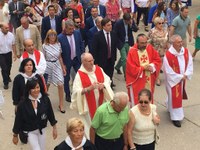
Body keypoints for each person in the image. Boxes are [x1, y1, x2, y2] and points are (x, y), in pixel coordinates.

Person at [70, 52, 114, 138]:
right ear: (83, 62)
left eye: (92, 60)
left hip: (101, 102)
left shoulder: (98, 69)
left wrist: (103, 85)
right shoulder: (80, 74)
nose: (92, 62)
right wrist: (88, 89)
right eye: (89, 61)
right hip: (88, 105)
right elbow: (75, 91)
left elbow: (107, 79)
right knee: (91, 125)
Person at [12, 78, 57, 150]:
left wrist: (54, 128)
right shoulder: (22, 104)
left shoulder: (45, 99)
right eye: (33, 88)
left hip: (42, 130)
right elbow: (18, 120)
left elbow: (50, 113)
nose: (36, 90)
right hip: (30, 131)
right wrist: (15, 135)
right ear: (28, 89)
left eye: (37, 87)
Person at [163, 35, 193, 127]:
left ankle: (169, 106)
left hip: (182, 78)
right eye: (178, 42)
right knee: (175, 96)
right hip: (173, 80)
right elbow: (167, 70)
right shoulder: (168, 55)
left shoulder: (186, 52)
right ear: (173, 44)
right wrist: (179, 77)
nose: (181, 44)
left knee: (176, 96)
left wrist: (186, 74)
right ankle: (176, 117)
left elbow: (190, 63)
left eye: (181, 41)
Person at [126, 34, 161, 106]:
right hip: (137, 81)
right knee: (138, 99)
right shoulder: (132, 51)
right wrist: (143, 68)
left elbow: (157, 60)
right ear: (137, 42)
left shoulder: (149, 48)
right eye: (142, 43)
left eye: (146, 42)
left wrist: (152, 66)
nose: (144, 45)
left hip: (149, 79)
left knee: (148, 96)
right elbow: (130, 68)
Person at [58, 19, 84, 102]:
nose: (72, 30)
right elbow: (59, 52)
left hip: (77, 59)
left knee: (81, 75)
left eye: (73, 29)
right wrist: (62, 64)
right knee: (66, 78)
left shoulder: (77, 33)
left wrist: (82, 54)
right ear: (65, 28)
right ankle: (68, 94)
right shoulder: (60, 37)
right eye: (70, 29)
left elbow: (81, 43)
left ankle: (80, 92)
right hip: (67, 60)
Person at [92, 18, 120, 88]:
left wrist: (115, 58)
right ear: (103, 26)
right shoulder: (97, 36)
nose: (110, 26)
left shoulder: (113, 34)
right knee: (102, 76)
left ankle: (109, 87)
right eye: (108, 25)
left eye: (111, 25)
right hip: (101, 60)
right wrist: (95, 62)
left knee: (110, 74)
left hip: (111, 59)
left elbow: (114, 47)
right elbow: (94, 49)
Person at [42, 29, 66, 113]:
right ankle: (43, 103)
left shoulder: (58, 44)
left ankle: (61, 104)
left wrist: (63, 67)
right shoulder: (44, 46)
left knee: (60, 84)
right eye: (51, 35)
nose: (52, 37)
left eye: (54, 35)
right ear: (48, 37)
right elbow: (43, 59)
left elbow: (59, 57)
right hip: (48, 65)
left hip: (57, 65)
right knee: (46, 85)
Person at [148, 17, 168, 86]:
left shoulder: (165, 31)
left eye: (162, 23)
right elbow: (152, 40)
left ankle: (157, 76)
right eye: (159, 23)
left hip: (163, 50)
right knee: (156, 65)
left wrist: (167, 47)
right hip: (155, 50)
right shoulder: (152, 31)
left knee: (161, 64)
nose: (161, 24)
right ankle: (157, 78)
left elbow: (167, 40)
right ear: (156, 24)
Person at [114, 13, 134, 78]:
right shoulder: (118, 24)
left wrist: (131, 25)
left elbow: (136, 29)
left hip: (127, 42)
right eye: (127, 21)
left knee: (125, 57)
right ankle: (126, 75)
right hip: (121, 42)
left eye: (129, 20)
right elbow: (115, 34)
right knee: (125, 59)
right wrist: (118, 44)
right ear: (124, 20)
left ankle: (117, 67)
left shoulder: (130, 22)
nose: (128, 22)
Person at [0, 23, 16, 89]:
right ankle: (5, 83)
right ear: (1, 29)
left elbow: (13, 45)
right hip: (1, 54)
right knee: (4, 68)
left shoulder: (11, 35)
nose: (8, 29)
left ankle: (7, 76)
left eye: (8, 28)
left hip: (9, 53)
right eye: (6, 28)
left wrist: (14, 53)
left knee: (9, 66)